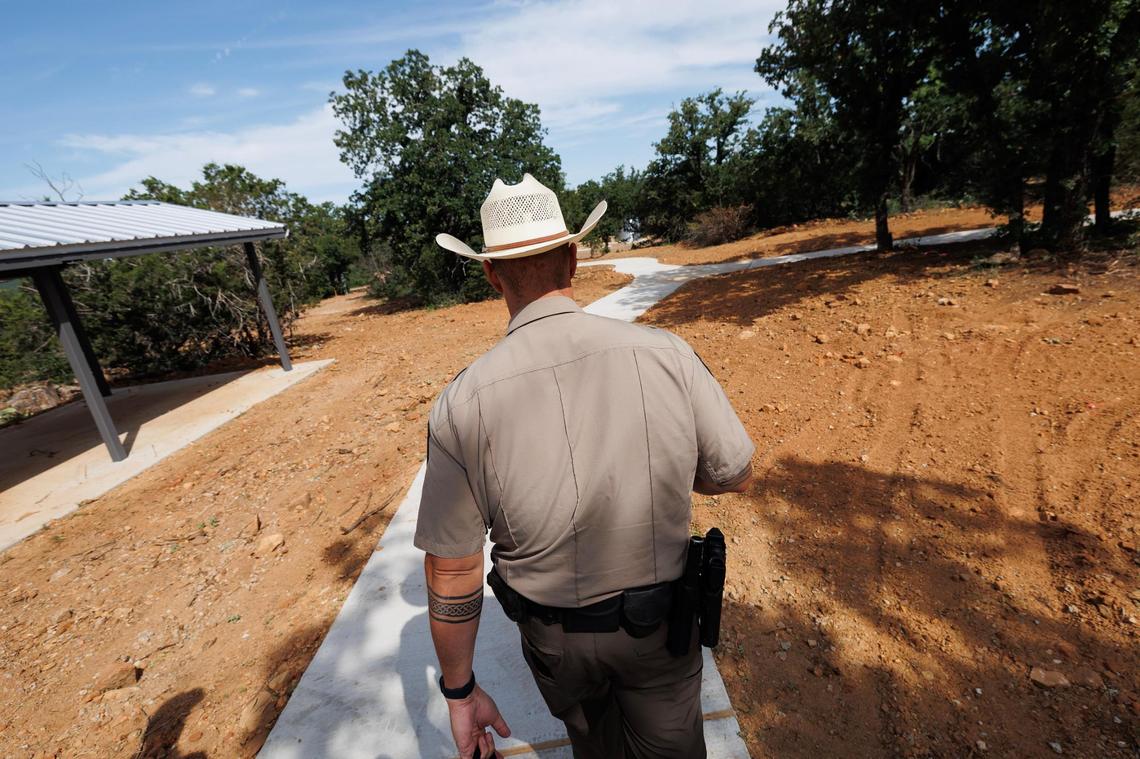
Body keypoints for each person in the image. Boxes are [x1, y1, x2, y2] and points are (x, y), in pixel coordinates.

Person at [414, 173, 755, 759]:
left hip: (555, 646)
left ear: (493, 273)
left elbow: (452, 572)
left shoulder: (461, 402)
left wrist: (461, 692)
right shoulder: (666, 353)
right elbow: (735, 473)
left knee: (594, 746)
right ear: (573, 259)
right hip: (658, 631)